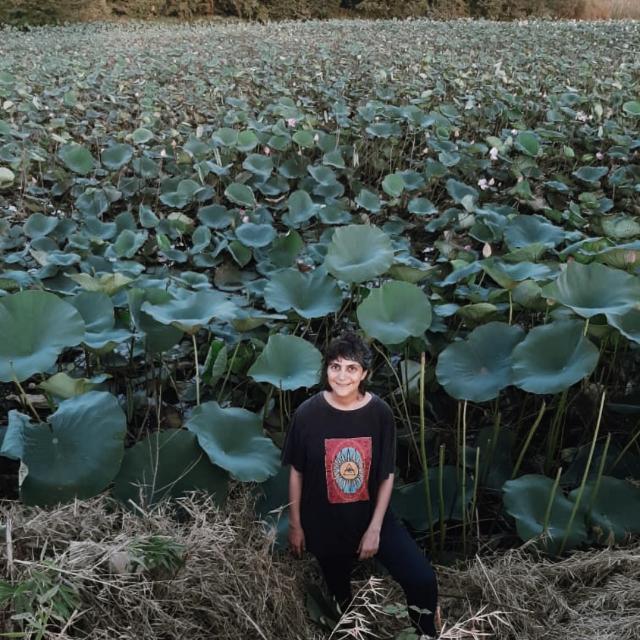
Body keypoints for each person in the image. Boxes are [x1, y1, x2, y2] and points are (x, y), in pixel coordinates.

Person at [282, 332, 439, 638]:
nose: (342, 376)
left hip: (371, 517)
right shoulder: (307, 414)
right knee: (340, 603)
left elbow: (386, 475)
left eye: (351, 368)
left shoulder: (379, 414)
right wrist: (296, 525)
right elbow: (297, 472)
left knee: (422, 580)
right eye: (335, 366)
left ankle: (426, 632)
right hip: (325, 524)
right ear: (326, 369)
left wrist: (376, 528)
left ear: (365, 373)